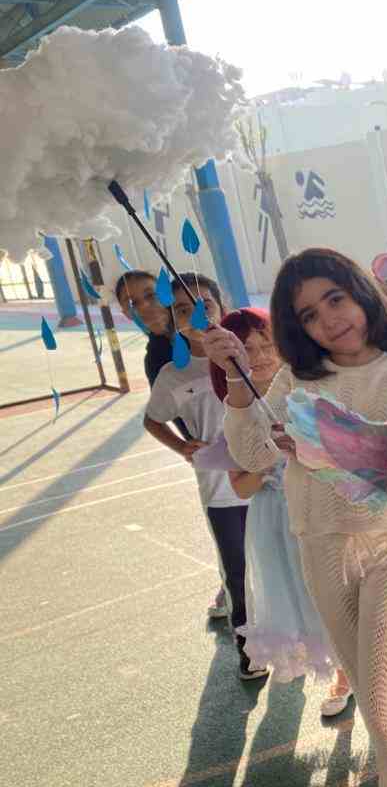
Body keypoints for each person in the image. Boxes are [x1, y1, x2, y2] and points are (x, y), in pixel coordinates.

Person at [206, 249, 387, 787]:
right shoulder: (295, 381)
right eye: (309, 314)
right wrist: (237, 381)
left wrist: (338, 445)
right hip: (318, 547)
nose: (329, 319)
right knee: (374, 693)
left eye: (335, 299)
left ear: (361, 293)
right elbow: (250, 454)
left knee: (384, 696)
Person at [209, 307, 341, 691]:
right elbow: (241, 488)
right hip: (275, 521)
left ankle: (347, 674)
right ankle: (333, 669)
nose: (261, 356)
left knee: (336, 596)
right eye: (247, 349)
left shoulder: (307, 392)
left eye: (267, 345)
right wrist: (269, 456)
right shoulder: (237, 414)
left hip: (320, 507)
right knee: (300, 600)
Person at [142, 274, 264, 679]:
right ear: (172, 320)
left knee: (282, 563)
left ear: (220, 307)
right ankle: (249, 648)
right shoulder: (172, 375)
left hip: (269, 483)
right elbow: (152, 420)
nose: (195, 314)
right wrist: (182, 447)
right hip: (221, 491)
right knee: (238, 573)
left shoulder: (249, 354)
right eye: (182, 309)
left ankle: (292, 639)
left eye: (203, 305)